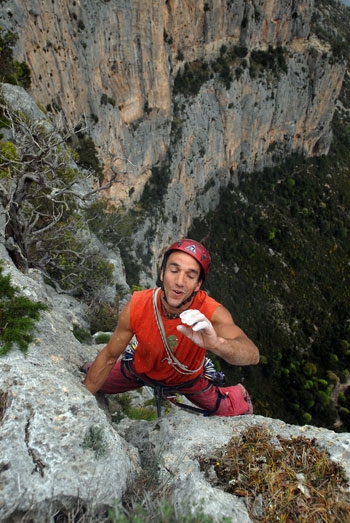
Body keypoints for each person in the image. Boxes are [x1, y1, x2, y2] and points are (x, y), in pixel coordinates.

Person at [82, 239, 259, 416]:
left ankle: (239, 393)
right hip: (140, 368)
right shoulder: (138, 305)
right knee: (92, 376)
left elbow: (252, 354)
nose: (179, 281)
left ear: (198, 285)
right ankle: (91, 367)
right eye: (174, 271)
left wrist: (217, 344)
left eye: (190, 276)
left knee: (229, 408)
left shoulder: (211, 312)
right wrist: (82, 402)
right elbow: (110, 355)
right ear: (162, 274)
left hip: (188, 378)